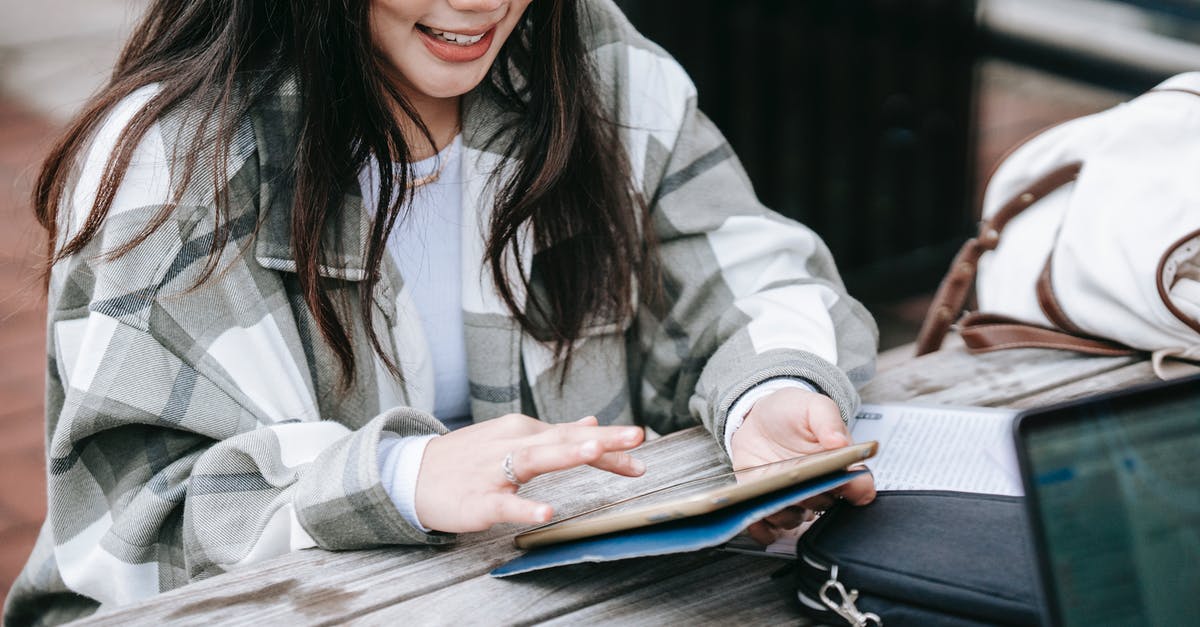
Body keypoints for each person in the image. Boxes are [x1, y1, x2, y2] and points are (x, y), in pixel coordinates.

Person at [5, 0, 878, 623]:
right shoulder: (171, 160)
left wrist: (770, 395)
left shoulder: (592, 59)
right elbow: (134, 529)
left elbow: (748, 273)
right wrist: (399, 479)